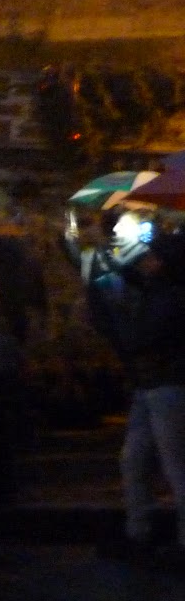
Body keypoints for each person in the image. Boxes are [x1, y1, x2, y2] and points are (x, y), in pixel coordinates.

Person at [107, 229, 185, 564]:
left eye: (152, 257)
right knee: (134, 458)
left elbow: (142, 337)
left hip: (168, 382)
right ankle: (139, 530)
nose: (146, 262)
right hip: (151, 382)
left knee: (175, 465)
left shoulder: (171, 296)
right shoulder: (155, 291)